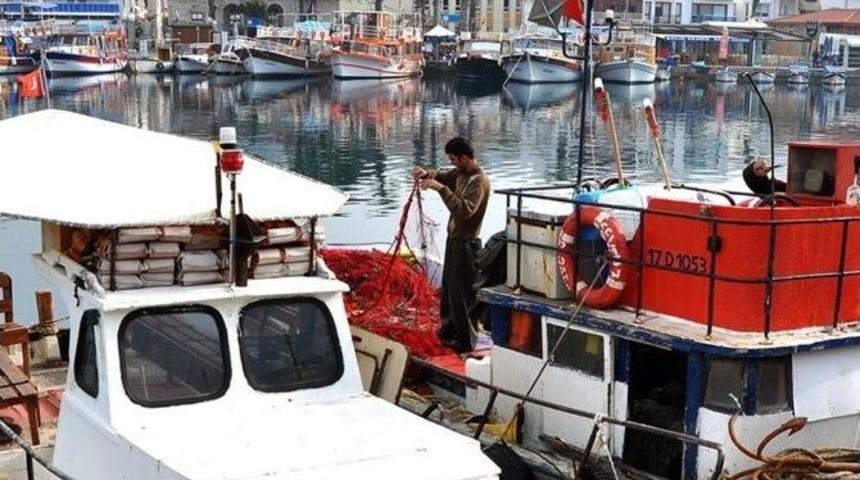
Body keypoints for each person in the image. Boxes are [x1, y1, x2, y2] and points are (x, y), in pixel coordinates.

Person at [412, 137, 491, 353]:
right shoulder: (461, 173)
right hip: (453, 241)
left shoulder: (478, 181)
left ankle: (466, 340)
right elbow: (443, 176)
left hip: (467, 244)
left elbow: (464, 211)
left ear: (465, 158)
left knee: (463, 294)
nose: (452, 163)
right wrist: (426, 174)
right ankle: (448, 331)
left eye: (454, 159)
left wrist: (439, 189)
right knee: (448, 289)